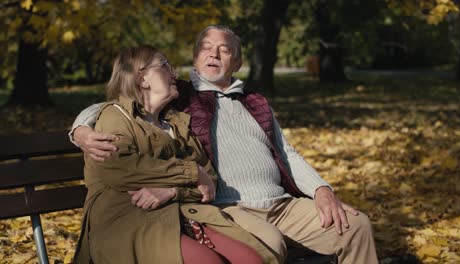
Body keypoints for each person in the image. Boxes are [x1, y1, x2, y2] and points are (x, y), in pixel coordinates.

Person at [71, 26, 379, 264]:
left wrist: (322, 190)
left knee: (355, 225)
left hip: (281, 204)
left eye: (224, 49)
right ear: (195, 58)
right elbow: (118, 103)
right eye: (206, 48)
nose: (214, 54)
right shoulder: (181, 95)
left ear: (238, 61)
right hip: (227, 209)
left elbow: (286, 152)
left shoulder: (256, 102)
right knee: (269, 246)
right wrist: (81, 129)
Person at [72, 45, 278, 264]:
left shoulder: (176, 123)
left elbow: (209, 184)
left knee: (251, 260)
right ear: (142, 79)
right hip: (126, 219)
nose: (175, 73)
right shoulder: (116, 116)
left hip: (181, 214)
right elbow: (118, 167)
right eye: (165, 65)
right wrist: (192, 172)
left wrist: (173, 190)